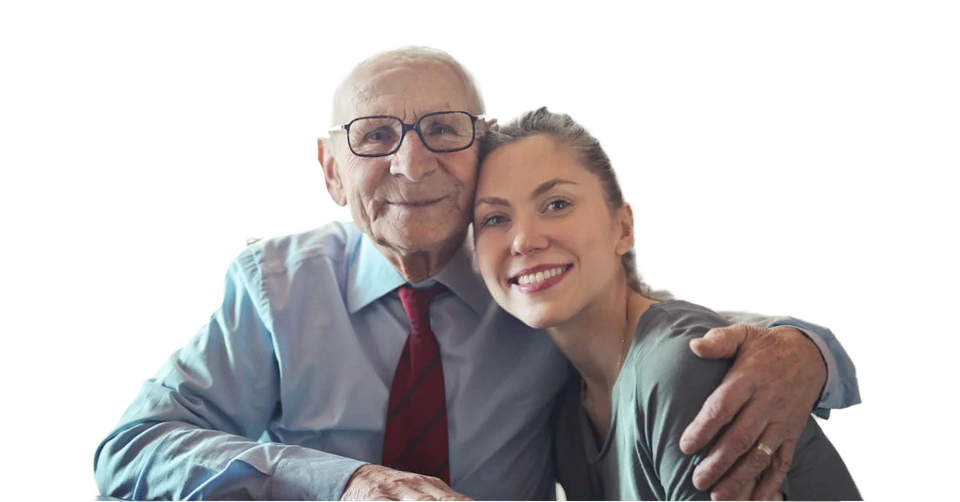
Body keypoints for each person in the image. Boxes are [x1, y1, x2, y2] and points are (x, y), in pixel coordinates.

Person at [91, 44, 861, 502]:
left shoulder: (528, 284)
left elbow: (661, 320)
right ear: (329, 170)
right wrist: (341, 482)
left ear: (480, 149)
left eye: (442, 130)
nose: (412, 161)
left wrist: (809, 351)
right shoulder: (273, 286)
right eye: (375, 135)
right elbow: (127, 451)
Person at [472, 105, 862, 501]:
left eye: (556, 204)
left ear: (623, 227)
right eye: (494, 219)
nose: (523, 240)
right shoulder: (569, 406)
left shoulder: (681, 369)